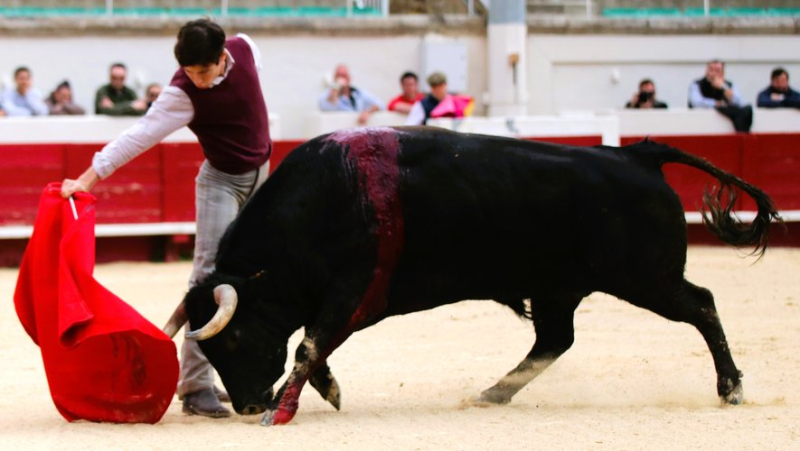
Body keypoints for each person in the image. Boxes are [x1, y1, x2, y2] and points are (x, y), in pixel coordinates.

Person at [60, 18, 272, 419]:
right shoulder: (183, 93)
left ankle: (234, 372)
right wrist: (89, 176)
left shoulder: (247, 48)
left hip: (262, 175)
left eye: (204, 71)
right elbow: (138, 136)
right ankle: (194, 385)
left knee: (257, 276)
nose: (198, 80)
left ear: (223, 56)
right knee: (208, 278)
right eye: (190, 72)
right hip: (221, 183)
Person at [689, 60, 751, 132]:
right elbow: (696, 102)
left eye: (717, 70)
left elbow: (739, 103)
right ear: (706, 71)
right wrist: (716, 103)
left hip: (726, 127)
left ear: (723, 73)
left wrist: (723, 87)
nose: (713, 73)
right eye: (711, 70)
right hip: (700, 125)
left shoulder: (729, 85)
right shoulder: (697, 84)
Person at [318, 64, 384, 125]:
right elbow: (326, 106)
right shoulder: (328, 94)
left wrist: (368, 111)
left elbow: (380, 104)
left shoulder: (359, 93)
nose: (341, 79)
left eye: (344, 76)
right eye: (338, 76)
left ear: (349, 78)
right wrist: (336, 87)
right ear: (334, 78)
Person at [406, 72, 474, 126]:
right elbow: (410, 125)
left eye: (440, 86)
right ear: (431, 88)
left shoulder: (456, 102)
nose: (438, 90)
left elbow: (465, 123)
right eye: (435, 87)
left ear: (446, 85)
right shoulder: (422, 105)